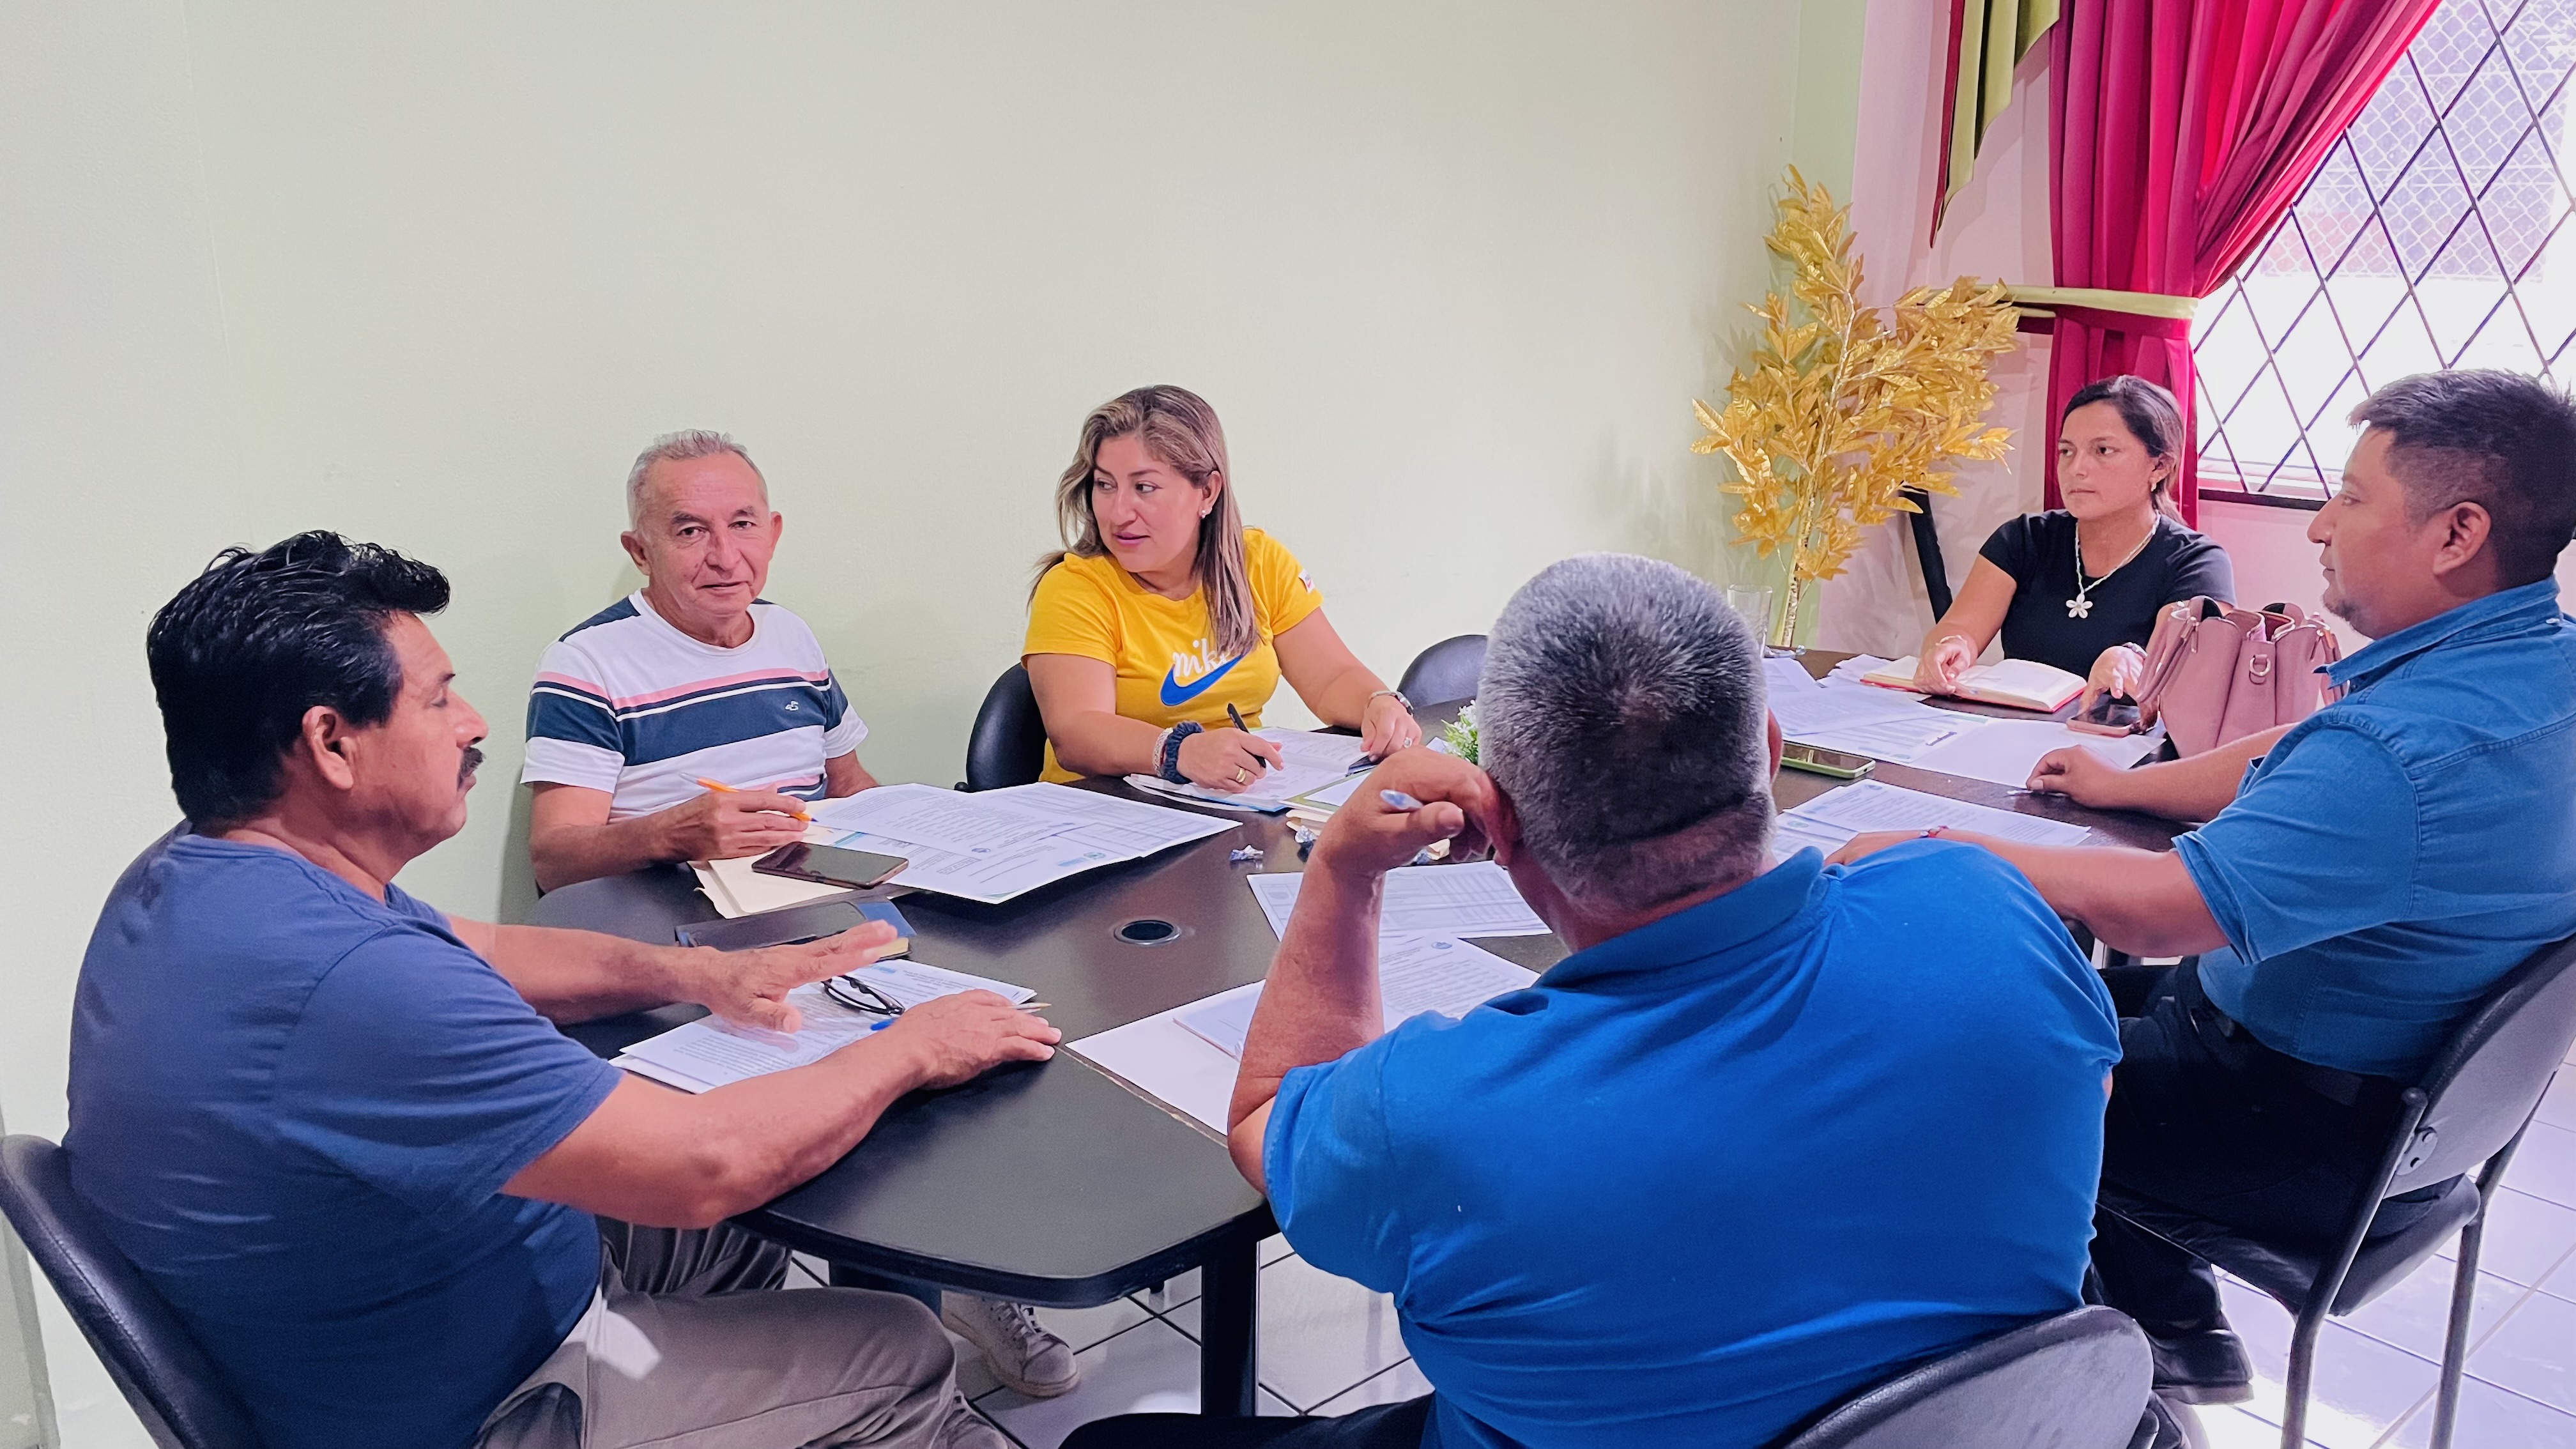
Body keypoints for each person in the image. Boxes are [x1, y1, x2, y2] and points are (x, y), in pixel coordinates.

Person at [1069, 554, 2124, 1449]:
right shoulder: (1990, 908)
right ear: (1765, 750)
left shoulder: (1446, 1112)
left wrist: (1342, 872)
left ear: (1498, 825)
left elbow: (1269, 1114)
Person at [66, 532, 1063, 1449]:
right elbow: (702, 1165)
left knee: (743, 1225)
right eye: (438, 700)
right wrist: (912, 1048)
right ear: (332, 743)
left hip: (401, 1306)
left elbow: (494, 949)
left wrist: (701, 972)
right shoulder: (348, 981)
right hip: (479, 1404)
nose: (473, 724)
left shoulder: (206, 877)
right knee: (894, 1348)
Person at [1832, 369, 2576, 1402]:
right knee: (2022, 1000)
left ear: (2457, 533)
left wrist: (1932, 844)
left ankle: (2045, 1385)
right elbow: (2311, 741)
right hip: (2413, 1105)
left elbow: (2160, 910)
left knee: (1940, 1065)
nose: (2319, 525)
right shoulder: (2535, 665)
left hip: (2298, 1122)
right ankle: (2176, 1330)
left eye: (2352, 497)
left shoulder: (2399, 753)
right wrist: (2123, 784)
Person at [522, 430, 882, 893]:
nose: (726, 558)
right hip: (675, 915)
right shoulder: (586, 663)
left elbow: (849, 786)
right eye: (690, 532)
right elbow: (554, 863)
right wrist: (672, 836)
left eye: (743, 525)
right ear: (641, 552)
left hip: (816, 894)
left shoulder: (790, 633)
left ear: (772, 533)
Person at [1023, 385, 1422, 792]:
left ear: (1208, 491)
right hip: (1104, 810)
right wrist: (1180, 752)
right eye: (1105, 485)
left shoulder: (1259, 562)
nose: (1119, 513)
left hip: (1233, 801)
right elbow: (1077, 733)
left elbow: (1332, 677)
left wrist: (1378, 702)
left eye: (1144, 488)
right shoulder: (1075, 587)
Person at [1913, 375, 2235, 705]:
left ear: (2160, 466)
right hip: (2019, 729)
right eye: (2067, 451)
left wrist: (2132, 658)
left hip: (2126, 735)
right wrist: (1951, 648)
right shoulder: (2024, 539)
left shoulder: (2196, 562)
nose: (2076, 468)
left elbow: (2184, 671)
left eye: (2103, 450)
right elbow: (1961, 629)